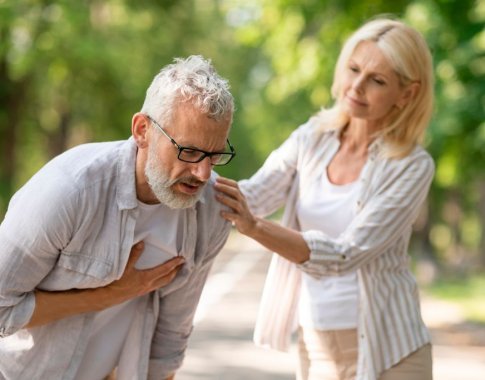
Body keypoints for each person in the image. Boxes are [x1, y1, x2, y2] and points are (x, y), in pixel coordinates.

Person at [215, 17, 434, 380]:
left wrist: (254, 228)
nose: (357, 86)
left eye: (377, 80)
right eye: (353, 69)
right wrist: (188, 174)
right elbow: (251, 195)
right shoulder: (312, 139)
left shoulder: (411, 166)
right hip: (317, 348)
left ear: (407, 94)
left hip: (391, 352)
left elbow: (346, 255)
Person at [0, 55, 236, 380]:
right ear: (143, 130)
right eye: (190, 151)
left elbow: (168, 344)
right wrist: (106, 296)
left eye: (215, 154)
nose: (203, 172)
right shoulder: (69, 190)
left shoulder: (211, 211)